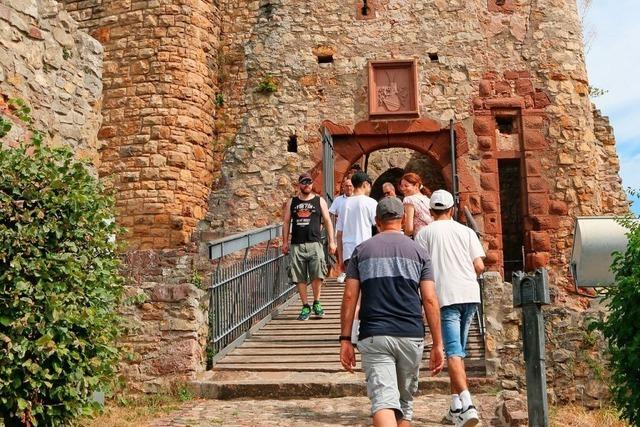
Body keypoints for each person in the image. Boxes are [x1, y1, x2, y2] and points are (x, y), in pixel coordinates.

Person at [340, 196, 445, 427]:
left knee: (383, 401)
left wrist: (345, 338)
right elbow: (429, 298)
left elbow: (349, 296)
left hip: (374, 333)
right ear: (401, 220)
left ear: (377, 221)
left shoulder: (361, 251)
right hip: (411, 334)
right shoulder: (419, 252)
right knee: (404, 403)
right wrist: (438, 343)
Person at [414, 190, 485, 427]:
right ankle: (455, 405)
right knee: (459, 352)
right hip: (470, 295)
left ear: (431, 211)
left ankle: (468, 404)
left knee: (453, 352)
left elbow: (419, 269)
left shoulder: (424, 234)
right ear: (452, 209)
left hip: (446, 297)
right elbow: (479, 265)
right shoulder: (466, 232)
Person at [282, 173, 337, 321]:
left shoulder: (319, 201)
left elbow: (327, 221)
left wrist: (332, 241)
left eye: (309, 182)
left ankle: (317, 302)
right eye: (304, 182)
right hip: (297, 244)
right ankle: (305, 305)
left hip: (315, 242)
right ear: (299, 184)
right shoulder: (292, 202)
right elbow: (286, 222)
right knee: (299, 276)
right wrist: (284, 242)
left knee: (317, 274)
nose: (307, 185)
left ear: (312, 184)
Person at [336, 171, 377, 270]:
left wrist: (340, 258)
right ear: (365, 184)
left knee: (351, 284)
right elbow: (379, 226)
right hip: (366, 250)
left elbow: (339, 234)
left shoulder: (344, 204)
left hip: (348, 252)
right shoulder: (371, 202)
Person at [329, 176, 354, 283]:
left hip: (354, 229)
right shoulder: (338, 200)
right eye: (346, 186)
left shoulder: (357, 198)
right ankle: (343, 272)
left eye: (350, 186)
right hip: (341, 229)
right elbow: (330, 214)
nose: (348, 188)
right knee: (341, 251)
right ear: (343, 187)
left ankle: (353, 273)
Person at [398, 172, 433, 238]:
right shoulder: (427, 199)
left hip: (421, 237)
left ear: (416, 185)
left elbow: (409, 229)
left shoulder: (408, 199)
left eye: (406, 186)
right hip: (432, 235)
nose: (403, 189)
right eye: (402, 186)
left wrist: (403, 238)